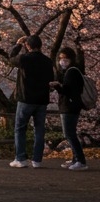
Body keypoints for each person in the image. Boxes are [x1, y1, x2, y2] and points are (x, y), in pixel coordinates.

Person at [7, 34, 55, 168]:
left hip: (26, 99)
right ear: (40, 46)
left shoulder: (24, 58)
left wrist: (18, 45)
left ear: (28, 46)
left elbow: (11, 59)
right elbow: (51, 80)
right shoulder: (47, 61)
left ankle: (20, 158)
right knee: (39, 130)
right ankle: (37, 160)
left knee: (20, 128)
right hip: (42, 100)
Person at [50, 46, 88, 171]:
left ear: (71, 59)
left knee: (69, 134)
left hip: (70, 107)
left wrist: (57, 86)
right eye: (61, 58)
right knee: (70, 133)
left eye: (65, 58)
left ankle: (81, 160)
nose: (62, 61)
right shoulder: (74, 71)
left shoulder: (71, 72)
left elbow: (68, 90)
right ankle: (75, 159)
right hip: (71, 106)